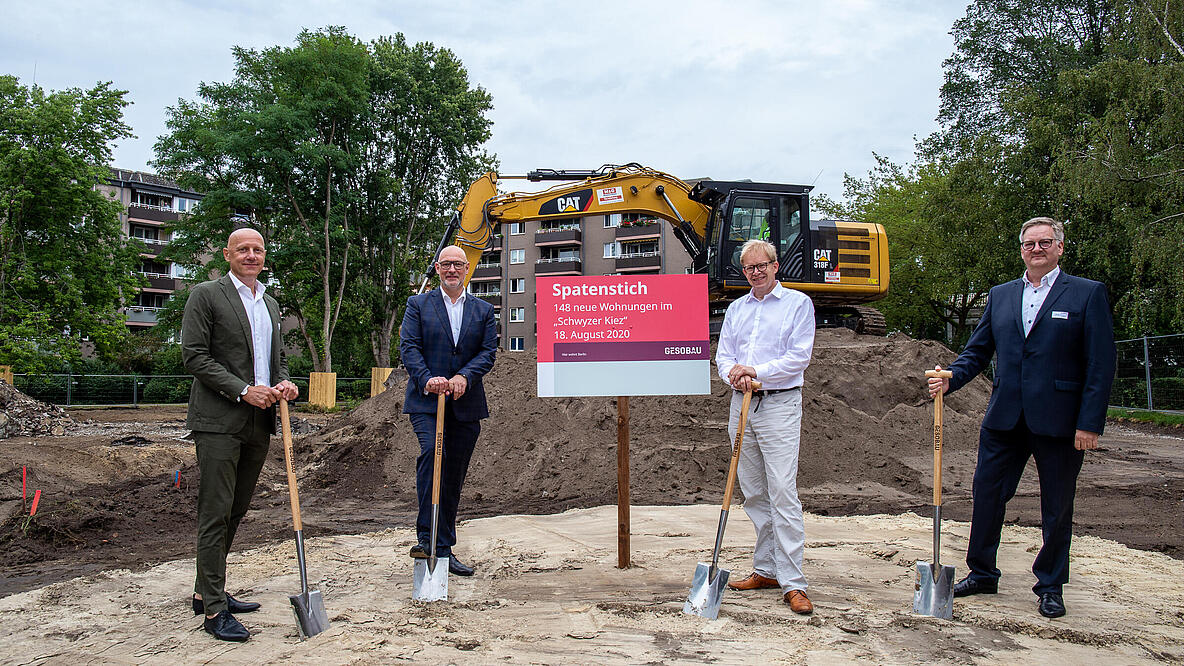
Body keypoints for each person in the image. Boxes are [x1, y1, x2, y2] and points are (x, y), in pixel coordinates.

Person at [928, 216, 1115, 619]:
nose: (1036, 249)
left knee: (1057, 505)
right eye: (1029, 244)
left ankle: (1049, 585)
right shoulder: (1002, 295)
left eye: (1045, 242)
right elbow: (977, 352)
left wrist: (1089, 423)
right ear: (1021, 250)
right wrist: (951, 379)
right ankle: (982, 572)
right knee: (987, 494)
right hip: (1005, 417)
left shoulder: (1086, 294)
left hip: (1061, 421)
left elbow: (1101, 365)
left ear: (1059, 248)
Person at [182, 227, 299, 641]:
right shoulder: (207, 295)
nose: (251, 255)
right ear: (228, 256)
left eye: (258, 250)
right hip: (219, 419)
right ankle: (214, 611)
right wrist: (242, 390)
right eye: (243, 250)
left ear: (264, 256)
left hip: (260, 420)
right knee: (215, 511)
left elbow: (277, 360)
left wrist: (286, 383)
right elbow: (194, 356)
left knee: (235, 509)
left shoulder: (268, 302)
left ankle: (205, 590)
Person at [715, 239, 816, 614]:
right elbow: (724, 355)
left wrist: (757, 371)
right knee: (754, 492)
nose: (755, 273)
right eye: (749, 268)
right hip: (742, 405)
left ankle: (794, 583)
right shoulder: (737, 309)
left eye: (761, 266)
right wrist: (734, 375)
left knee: (783, 492)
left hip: (779, 404)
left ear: (776, 266)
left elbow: (798, 357)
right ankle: (767, 569)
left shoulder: (797, 304)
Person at [400, 244, 497, 576]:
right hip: (426, 401)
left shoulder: (483, 310)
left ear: (467, 268)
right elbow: (409, 347)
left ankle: (444, 548)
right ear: (437, 269)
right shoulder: (418, 304)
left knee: (453, 475)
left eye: (458, 264)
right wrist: (428, 380)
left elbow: (487, 353)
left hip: (465, 404)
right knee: (432, 454)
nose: (452, 270)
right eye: (446, 265)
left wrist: (463, 378)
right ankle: (426, 540)